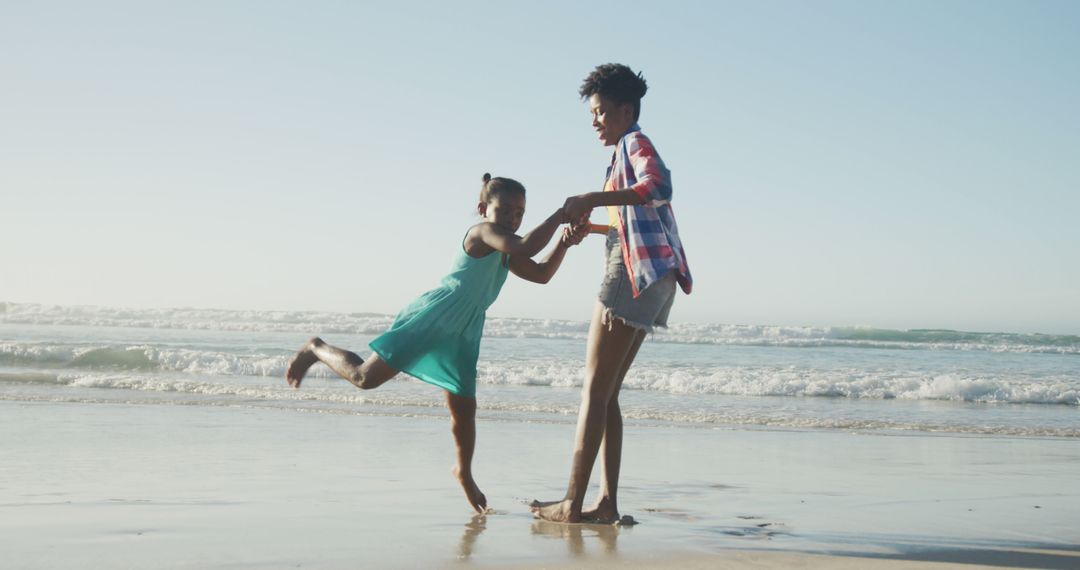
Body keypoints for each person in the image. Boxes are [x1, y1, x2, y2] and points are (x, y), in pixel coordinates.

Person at [285, 173, 587, 514]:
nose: (512, 219)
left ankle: (464, 472)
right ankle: (315, 347)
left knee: (464, 409)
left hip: (465, 329)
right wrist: (561, 214)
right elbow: (527, 246)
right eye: (505, 211)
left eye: (519, 213)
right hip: (436, 316)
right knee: (364, 378)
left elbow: (542, 274)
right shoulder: (482, 233)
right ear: (483, 208)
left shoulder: (507, 248)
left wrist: (564, 242)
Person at [531, 63, 693, 524]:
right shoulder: (623, 149)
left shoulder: (635, 143)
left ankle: (571, 503)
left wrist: (591, 198)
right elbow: (636, 218)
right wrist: (595, 224)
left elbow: (658, 186)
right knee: (608, 394)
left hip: (633, 272)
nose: (595, 120)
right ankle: (606, 504)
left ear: (625, 110)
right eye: (592, 114)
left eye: (601, 111)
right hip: (656, 276)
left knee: (593, 392)